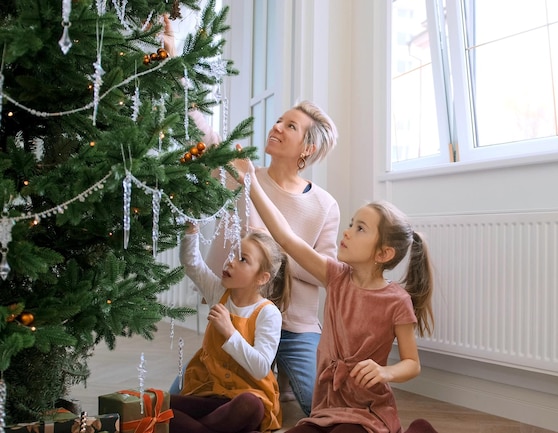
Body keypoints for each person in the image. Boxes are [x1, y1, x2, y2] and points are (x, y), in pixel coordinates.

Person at [230, 157, 439, 433]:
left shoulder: (396, 300)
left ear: (383, 253)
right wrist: (250, 181)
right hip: (327, 407)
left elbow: (412, 363)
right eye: (352, 224)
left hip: (368, 411)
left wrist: (385, 372)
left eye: (360, 228)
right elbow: (285, 238)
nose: (348, 232)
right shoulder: (337, 277)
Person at [197, 101, 340, 417]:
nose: (277, 127)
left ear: (308, 148)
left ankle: (280, 377)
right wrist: (184, 89)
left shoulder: (325, 205)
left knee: (322, 406)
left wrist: (270, 251)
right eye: (279, 120)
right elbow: (208, 141)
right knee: (187, 393)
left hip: (295, 324)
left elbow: (323, 274)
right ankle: (268, 378)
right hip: (241, 319)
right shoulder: (243, 175)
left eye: (291, 126)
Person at [170, 225, 291, 433]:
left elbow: (261, 367)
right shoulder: (219, 291)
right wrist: (191, 233)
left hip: (247, 395)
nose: (231, 262)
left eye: (242, 259)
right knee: (159, 404)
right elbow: (192, 264)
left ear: (262, 278)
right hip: (210, 393)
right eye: (233, 253)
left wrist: (230, 332)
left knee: (249, 406)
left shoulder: (268, 313)